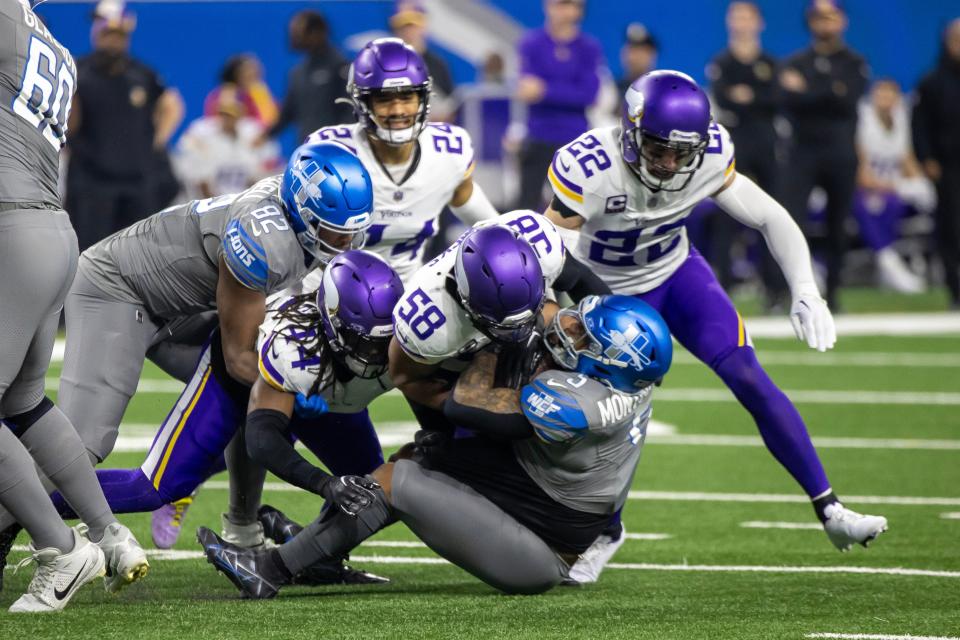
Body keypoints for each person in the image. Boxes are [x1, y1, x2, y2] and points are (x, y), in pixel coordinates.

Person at [544, 70, 888, 583]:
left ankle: (830, 508)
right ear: (631, 131)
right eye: (658, 148)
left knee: (750, 376)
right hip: (605, 294)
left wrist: (805, 289)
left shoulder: (708, 155)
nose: (669, 162)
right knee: (607, 421)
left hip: (678, 276)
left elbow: (770, 215)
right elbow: (553, 252)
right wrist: (567, 314)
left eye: (682, 152)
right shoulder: (589, 165)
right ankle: (605, 530)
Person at [0, 141, 373, 570]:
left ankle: (242, 527)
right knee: (79, 447)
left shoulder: (290, 219)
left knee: (249, 398)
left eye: (350, 231)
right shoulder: (263, 238)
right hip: (119, 291)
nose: (344, 243)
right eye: (333, 231)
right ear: (304, 214)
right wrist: (304, 395)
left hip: (183, 309)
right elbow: (238, 359)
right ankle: (23, 521)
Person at [197, 295, 673, 598]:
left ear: (607, 368)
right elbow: (550, 308)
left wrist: (494, 339)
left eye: (583, 336)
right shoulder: (625, 382)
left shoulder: (578, 404)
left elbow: (468, 403)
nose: (568, 328)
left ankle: (272, 571)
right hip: (542, 492)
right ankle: (315, 555)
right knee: (417, 456)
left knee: (397, 480)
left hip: (543, 544)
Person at [48, 250, 404, 585]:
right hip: (240, 376)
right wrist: (324, 483)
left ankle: (314, 555)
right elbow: (263, 439)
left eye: (385, 340)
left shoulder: (402, 343)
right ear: (331, 323)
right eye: (364, 342)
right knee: (155, 487)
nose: (376, 355)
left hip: (319, 391)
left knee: (376, 492)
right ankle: (26, 504)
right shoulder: (293, 344)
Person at [0, 0, 148, 612]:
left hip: (9, 228)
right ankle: (109, 533)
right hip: (51, 229)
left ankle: (59, 551)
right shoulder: (55, 48)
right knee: (26, 403)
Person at [306, 37, 497, 282]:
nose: (397, 110)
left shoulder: (448, 152)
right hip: (325, 296)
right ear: (362, 103)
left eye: (407, 97)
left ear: (423, 98)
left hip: (405, 300)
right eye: (384, 99)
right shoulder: (331, 154)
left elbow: (485, 221)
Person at [66, 1, 184, 250]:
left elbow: (173, 105)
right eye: (108, 34)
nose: (113, 41)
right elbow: (67, 120)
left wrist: (156, 141)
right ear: (96, 34)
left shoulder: (142, 74)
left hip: (136, 182)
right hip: (91, 183)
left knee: (138, 252)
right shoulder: (78, 72)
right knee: (88, 252)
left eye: (119, 35)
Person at [777, 0, 869, 309]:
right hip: (803, 151)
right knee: (791, 222)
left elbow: (848, 100)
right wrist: (830, 90)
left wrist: (809, 91)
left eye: (831, 17)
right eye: (819, 17)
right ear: (810, 22)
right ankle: (793, 290)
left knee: (838, 223)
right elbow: (789, 103)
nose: (825, 23)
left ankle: (835, 290)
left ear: (842, 21)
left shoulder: (855, 61)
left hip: (841, 151)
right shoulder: (796, 61)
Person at [705, 1, 782, 299]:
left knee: (770, 213)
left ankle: (775, 288)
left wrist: (749, 97)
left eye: (747, 17)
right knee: (727, 213)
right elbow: (725, 99)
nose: (742, 22)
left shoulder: (770, 63)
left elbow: (776, 98)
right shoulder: (722, 62)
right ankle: (722, 284)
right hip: (734, 140)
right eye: (736, 17)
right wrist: (754, 98)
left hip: (765, 140)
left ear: (759, 22)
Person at [514, 0, 604, 211]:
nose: (567, 11)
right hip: (537, 138)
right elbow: (526, 90)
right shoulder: (531, 43)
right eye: (562, 3)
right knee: (525, 208)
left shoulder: (589, 48)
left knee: (575, 210)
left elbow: (589, 94)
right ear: (549, 5)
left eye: (574, 5)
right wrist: (568, 91)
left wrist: (544, 90)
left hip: (575, 142)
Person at [855, 79, 934, 293]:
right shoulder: (863, 121)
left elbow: (907, 159)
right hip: (870, 190)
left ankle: (939, 262)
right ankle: (887, 261)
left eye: (890, 95)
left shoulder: (901, 119)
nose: (886, 100)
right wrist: (893, 185)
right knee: (877, 205)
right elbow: (862, 175)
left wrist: (920, 183)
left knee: (929, 198)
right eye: (881, 95)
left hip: (893, 187)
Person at [912, 18, 960, 309]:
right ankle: (955, 289)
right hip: (948, 165)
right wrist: (926, 157)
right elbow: (920, 125)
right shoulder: (932, 81)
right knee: (951, 228)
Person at [176, 86, 280, 199]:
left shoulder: (253, 132)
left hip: (245, 200)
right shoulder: (200, 132)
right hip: (205, 202)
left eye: (231, 113)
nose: (227, 118)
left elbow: (271, 165)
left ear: (242, 112)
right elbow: (187, 165)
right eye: (223, 113)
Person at [266, 10, 351, 145]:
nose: (294, 37)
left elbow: (350, 111)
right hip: (306, 149)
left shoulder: (341, 66)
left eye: (298, 32)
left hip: (336, 150)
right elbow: (287, 113)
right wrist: (266, 135)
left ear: (318, 32)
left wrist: (343, 145)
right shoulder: (297, 73)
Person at [389, 1, 455, 119]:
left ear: (423, 26)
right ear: (395, 29)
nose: (408, 31)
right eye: (403, 25)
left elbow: (450, 109)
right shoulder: (386, 65)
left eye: (413, 24)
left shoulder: (438, 65)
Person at [203, 54, 278, 128]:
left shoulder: (259, 92)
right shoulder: (226, 92)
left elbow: (271, 121)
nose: (256, 72)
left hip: (259, 137)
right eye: (250, 69)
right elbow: (222, 123)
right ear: (237, 73)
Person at [617, 23, 658, 98]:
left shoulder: (662, 90)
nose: (633, 57)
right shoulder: (613, 91)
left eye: (640, 51)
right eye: (631, 50)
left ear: (652, 55)